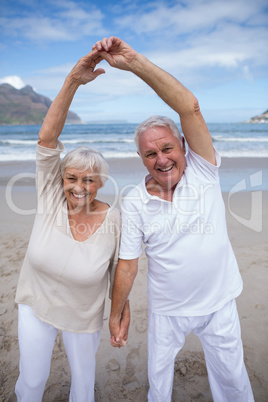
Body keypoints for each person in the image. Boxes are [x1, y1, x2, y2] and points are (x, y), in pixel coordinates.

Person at [94, 37, 254, 401]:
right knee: (159, 385)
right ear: (141, 159)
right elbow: (128, 265)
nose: (161, 159)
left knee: (234, 383)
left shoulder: (203, 169)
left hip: (219, 303)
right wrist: (116, 313)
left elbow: (190, 106)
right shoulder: (134, 201)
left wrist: (134, 63)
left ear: (183, 145)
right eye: (150, 154)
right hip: (169, 311)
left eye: (167, 148)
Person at [14, 48, 129, 401]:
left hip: (83, 313)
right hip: (37, 304)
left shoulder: (114, 219)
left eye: (89, 180)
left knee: (83, 386)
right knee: (32, 382)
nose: (79, 187)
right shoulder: (51, 196)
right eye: (72, 178)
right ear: (61, 178)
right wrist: (73, 81)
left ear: (102, 184)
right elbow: (47, 140)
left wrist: (120, 313)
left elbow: (122, 268)